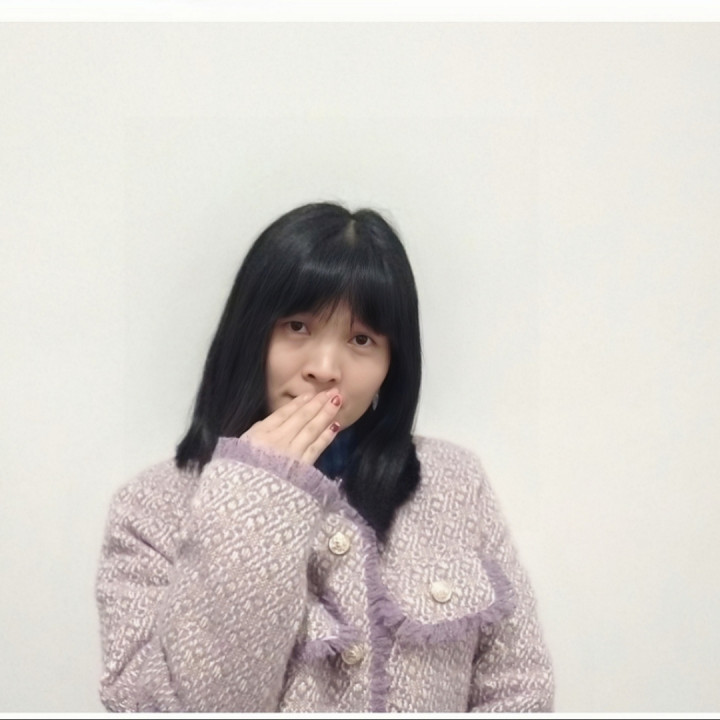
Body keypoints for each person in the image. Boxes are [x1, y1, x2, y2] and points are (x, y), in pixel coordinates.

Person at [95, 202, 554, 712]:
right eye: (298, 326)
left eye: (361, 339)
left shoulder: (453, 481)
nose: (325, 367)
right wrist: (255, 492)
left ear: (392, 364)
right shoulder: (150, 509)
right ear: (249, 333)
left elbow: (519, 687)